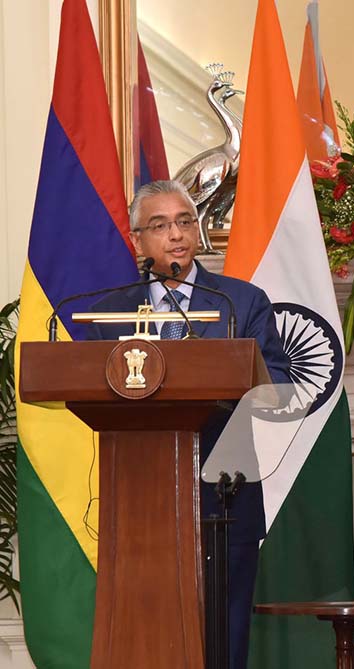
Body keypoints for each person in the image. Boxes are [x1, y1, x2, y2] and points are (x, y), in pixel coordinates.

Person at [86, 180, 289, 669]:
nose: (175, 235)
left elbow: (279, 384)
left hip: (225, 489)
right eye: (159, 226)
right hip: (140, 498)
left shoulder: (242, 302)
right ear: (138, 240)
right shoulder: (110, 309)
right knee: (144, 631)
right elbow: (90, 384)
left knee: (223, 633)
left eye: (184, 221)